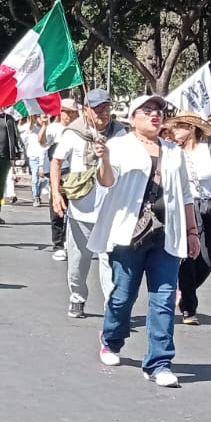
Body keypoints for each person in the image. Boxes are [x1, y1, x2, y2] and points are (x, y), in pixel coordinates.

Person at [88, 94, 199, 387]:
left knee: (163, 299)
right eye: (147, 110)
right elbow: (107, 181)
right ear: (133, 117)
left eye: (158, 110)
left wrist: (192, 232)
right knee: (123, 295)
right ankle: (111, 339)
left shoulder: (174, 152)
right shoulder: (119, 146)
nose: (154, 114)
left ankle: (159, 362)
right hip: (130, 234)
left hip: (167, 233)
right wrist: (105, 160)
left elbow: (186, 196)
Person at [165, 111, 211, 324]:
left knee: (209, 258)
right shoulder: (172, 152)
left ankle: (182, 291)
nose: (175, 130)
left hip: (209, 209)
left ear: (191, 129)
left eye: (179, 126)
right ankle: (189, 308)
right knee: (188, 257)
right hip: (184, 208)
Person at [51, 97, 120, 319]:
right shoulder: (74, 132)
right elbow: (56, 162)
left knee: (110, 261)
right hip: (82, 208)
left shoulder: (121, 133)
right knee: (78, 261)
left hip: (112, 209)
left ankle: (113, 306)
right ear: (86, 109)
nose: (103, 112)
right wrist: (55, 193)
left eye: (106, 107)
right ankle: (77, 297)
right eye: (97, 108)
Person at [43, 100, 77, 261]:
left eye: (72, 112)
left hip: (76, 174)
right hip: (59, 173)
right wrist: (43, 126)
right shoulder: (54, 128)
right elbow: (42, 142)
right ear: (60, 112)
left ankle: (70, 243)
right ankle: (58, 244)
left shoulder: (80, 130)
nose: (69, 115)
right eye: (66, 111)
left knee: (74, 211)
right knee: (57, 209)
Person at [0, 107, 24, 222]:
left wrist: (20, 154)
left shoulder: (9, 119)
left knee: (1, 184)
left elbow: (16, 136)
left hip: (5, 157)